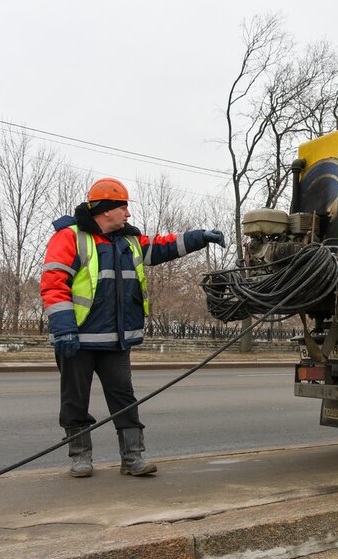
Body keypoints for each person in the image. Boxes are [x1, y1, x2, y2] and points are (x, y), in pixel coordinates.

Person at [40, 178, 225, 478]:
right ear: (105, 211)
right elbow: (53, 284)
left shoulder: (129, 241)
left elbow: (164, 246)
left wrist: (200, 237)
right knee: (75, 400)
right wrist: (64, 330)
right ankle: (80, 457)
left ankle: (133, 458)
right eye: (123, 207)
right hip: (76, 340)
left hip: (116, 341)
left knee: (124, 399)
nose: (128, 214)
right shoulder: (70, 237)